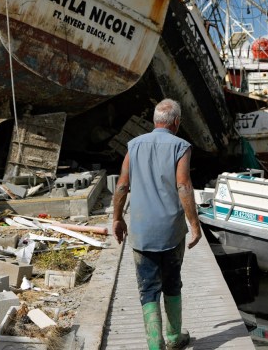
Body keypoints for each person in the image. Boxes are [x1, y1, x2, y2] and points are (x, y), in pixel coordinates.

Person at [112, 98, 202, 350]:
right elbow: (183, 185)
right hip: (171, 232)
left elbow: (121, 185)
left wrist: (117, 218)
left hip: (141, 231)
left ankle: (155, 344)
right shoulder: (181, 146)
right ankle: (173, 337)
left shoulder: (134, 145)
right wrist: (194, 224)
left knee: (148, 287)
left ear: (154, 121)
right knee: (172, 281)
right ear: (177, 122)